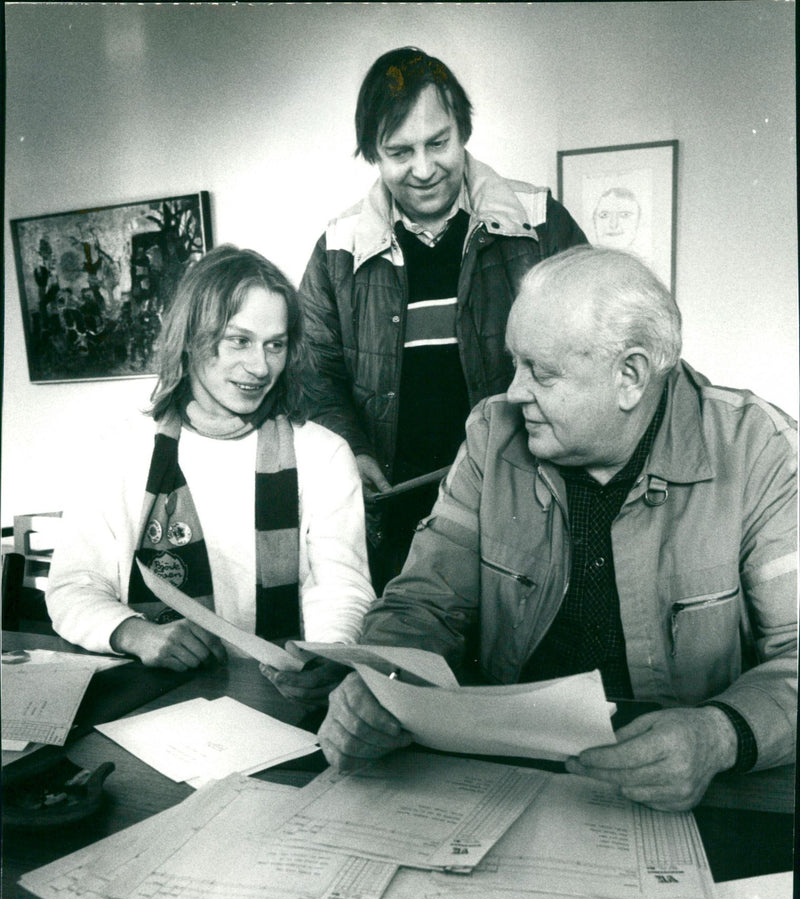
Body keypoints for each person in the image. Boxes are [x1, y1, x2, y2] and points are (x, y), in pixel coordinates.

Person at [318, 246, 797, 812]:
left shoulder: (758, 450)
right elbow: (423, 604)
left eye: (541, 373)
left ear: (631, 376)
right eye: (514, 364)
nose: (514, 392)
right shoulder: (492, 435)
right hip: (508, 780)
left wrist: (719, 736)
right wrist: (379, 684)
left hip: (692, 790)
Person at [299, 46, 586, 590]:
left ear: (463, 131)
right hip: (396, 518)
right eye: (399, 151)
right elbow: (314, 378)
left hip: (528, 503)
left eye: (438, 143)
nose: (424, 169)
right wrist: (351, 452)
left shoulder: (542, 222)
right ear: (372, 154)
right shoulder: (335, 249)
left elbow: (592, 349)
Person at [47, 245, 375, 700]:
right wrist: (133, 632)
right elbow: (72, 587)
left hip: (282, 700)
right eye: (238, 340)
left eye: (275, 345)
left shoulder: (324, 454)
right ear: (190, 338)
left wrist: (327, 654)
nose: (260, 367)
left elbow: (341, 586)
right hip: (152, 705)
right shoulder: (118, 451)